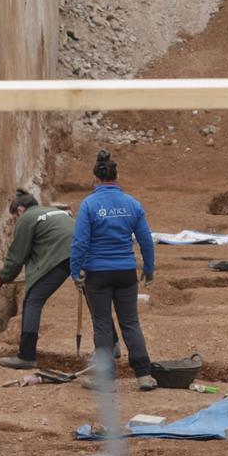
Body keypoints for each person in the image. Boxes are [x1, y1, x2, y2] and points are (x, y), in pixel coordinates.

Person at [70, 150, 156, 391]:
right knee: (131, 323)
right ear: (116, 177)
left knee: (102, 324)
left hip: (97, 273)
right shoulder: (132, 204)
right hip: (126, 272)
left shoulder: (89, 205)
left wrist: (75, 271)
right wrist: (149, 268)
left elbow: (79, 242)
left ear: (95, 179)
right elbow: (145, 240)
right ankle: (144, 376)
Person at [0, 188, 74, 370]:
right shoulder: (55, 213)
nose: (16, 221)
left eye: (14, 217)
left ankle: (26, 356)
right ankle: (112, 346)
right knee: (96, 297)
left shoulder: (27, 219)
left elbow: (17, 257)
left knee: (32, 301)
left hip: (61, 257)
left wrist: (2, 278)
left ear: (20, 210)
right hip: (80, 254)